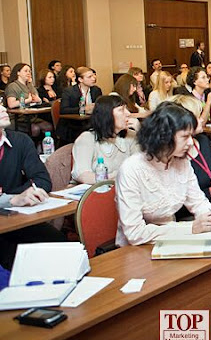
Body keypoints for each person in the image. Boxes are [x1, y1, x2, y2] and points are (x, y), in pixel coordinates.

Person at [115, 103, 211, 247]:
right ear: (164, 137)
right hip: (136, 248)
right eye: (185, 137)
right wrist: (190, 228)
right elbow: (134, 233)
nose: (190, 142)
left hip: (172, 241)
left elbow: (198, 201)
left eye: (191, 136)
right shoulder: (132, 169)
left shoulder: (182, 162)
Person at [0, 101, 66, 270]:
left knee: (60, 244)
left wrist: (18, 197)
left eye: (1, 104)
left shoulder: (20, 141)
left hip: (15, 219)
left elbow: (42, 180)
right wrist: (11, 199)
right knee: (13, 260)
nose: (3, 109)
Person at [72, 95, 140, 184]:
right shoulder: (87, 138)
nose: (128, 113)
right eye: (121, 110)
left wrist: (141, 132)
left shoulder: (130, 136)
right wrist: (114, 177)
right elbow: (82, 175)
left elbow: (143, 166)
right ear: (107, 115)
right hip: (93, 189)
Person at [5, 63, 52, 137]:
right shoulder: (13, 86)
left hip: (31, 117)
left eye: (30, 71)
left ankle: (42, 143)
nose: (28, 73)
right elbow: (11, 104)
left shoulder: (29, 85)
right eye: (26, 71)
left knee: (48, 126)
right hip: (17, 118)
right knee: (35, 129)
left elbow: (36, 98)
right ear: (18, 73)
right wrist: (28, 100)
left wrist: (31, 84)